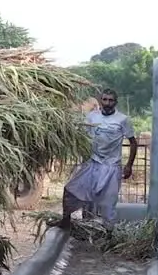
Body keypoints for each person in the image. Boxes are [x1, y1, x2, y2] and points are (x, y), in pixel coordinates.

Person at [57, 88, 138, 228]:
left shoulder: (122, 119)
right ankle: (65, 222)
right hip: (93, 163)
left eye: (111, 100)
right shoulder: (92, 117)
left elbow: (133, 143)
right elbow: (83, 137)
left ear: (115, 102)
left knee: (108, 205)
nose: (107, 103)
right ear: (101, 100)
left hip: (111, 167)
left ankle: (109, 236)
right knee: (70, 190)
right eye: (105, 99)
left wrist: (129, 165)